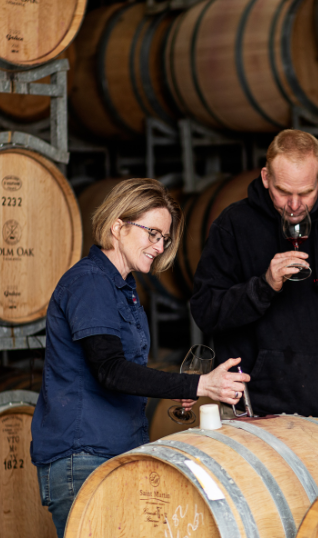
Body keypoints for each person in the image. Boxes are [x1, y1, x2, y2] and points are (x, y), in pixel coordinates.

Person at [31, 178, 249, 538]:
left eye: (163, 238)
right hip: (84, 456)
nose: (159, 246)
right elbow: (110, 370)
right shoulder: (90, 283)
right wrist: (199, 383)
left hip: (112, 452)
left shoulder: (122, 287)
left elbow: (125, 370)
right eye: (152, 233)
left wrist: (179, 385)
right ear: (117, 226)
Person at [190, 130, 318, 420]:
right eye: (283, 192)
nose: (294, 205)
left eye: (305, 192)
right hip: (249, 411)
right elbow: (205, 311)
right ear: (266, 178)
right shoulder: (234, 225)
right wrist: (263, 287)